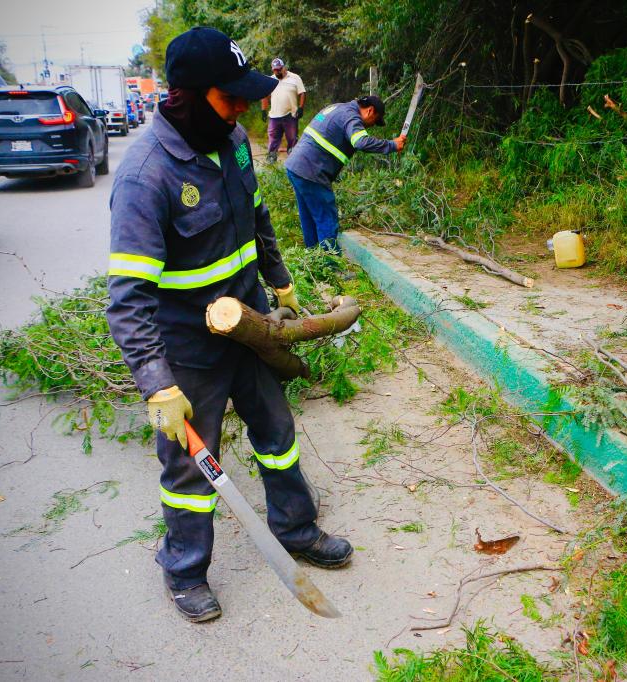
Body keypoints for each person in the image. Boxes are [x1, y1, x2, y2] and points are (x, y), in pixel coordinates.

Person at [106, 26, 352, 624]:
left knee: (278, 432)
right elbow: (128, 297)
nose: (244, 105)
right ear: (188, 94)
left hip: (251, 325)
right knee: (191, 470)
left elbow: (258, 216)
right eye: (230, 96)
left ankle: (295, 529)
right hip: (189, 347)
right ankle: (183, 568)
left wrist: (282, 283)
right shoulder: (147, 174)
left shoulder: (236, 141)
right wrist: (155, 381)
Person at [284, 95, 405, 252]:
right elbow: (360, 142)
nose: (370, 126)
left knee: (309, 216)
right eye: (374, 121)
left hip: (296, 166)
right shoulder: (351, 116)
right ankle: (330, 263)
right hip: (311, 171)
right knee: (327, 217)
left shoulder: (337, 107)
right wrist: (392, 145)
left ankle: (313, 259)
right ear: (370, 110)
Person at [262, 58, 306, 164]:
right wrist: (263, 110)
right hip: (274, 116)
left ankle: (293, 159)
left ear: (284, 68)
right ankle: (271, 159)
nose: (277, 72)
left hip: (290, 115)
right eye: (275, 70)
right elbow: (264, 95)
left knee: (292, 138)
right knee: (273, 139)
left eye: (279, 69)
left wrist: (301, 107)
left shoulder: (295, 78)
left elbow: (302, 93)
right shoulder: (270, 80)